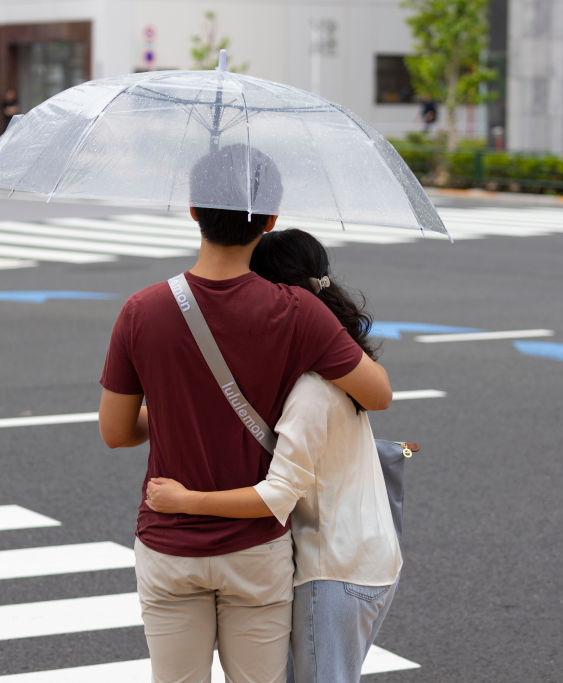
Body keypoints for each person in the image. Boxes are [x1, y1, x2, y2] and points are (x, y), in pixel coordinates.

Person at [99, 145, 392, 683]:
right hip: (255, 547)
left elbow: (116, 432)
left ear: (193, 209)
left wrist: (175, 410)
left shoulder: (141, 310)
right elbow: (377, 394)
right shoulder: (296, 309)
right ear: (272, 219)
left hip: (170, 542)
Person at [145, 228, 404, 683]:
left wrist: (186, 501)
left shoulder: (310, 389)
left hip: (333, 569)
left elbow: (277, 495)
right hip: (361, 558)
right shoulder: (337, 366)